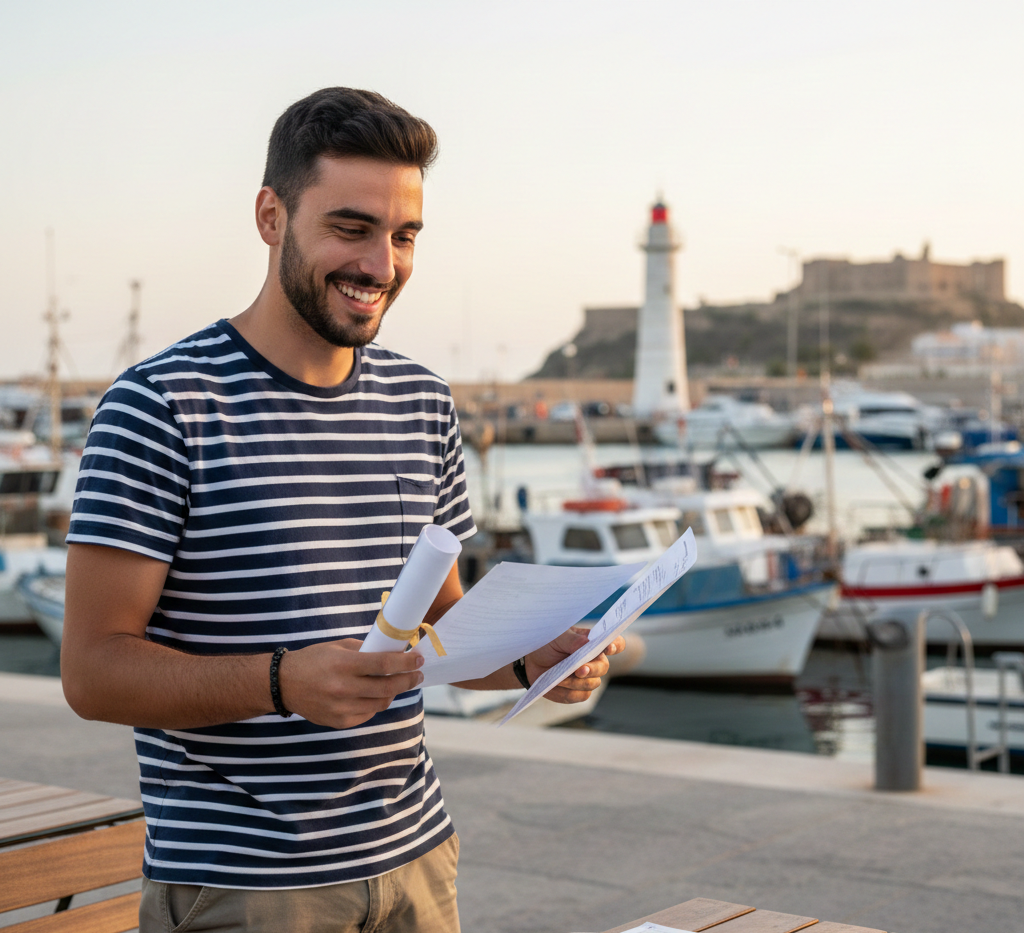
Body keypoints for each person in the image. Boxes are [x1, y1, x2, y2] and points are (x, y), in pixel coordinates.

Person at [60, 87, 624, 933]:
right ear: (270, 215)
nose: (381, 265)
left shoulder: (422, 401)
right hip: (247, 884)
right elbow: (93, 671)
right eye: (351, 228)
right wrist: (283, 682)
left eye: (404, 236)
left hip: (418, 861)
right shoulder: (162, 405)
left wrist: (534, 663)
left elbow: (439, 635)